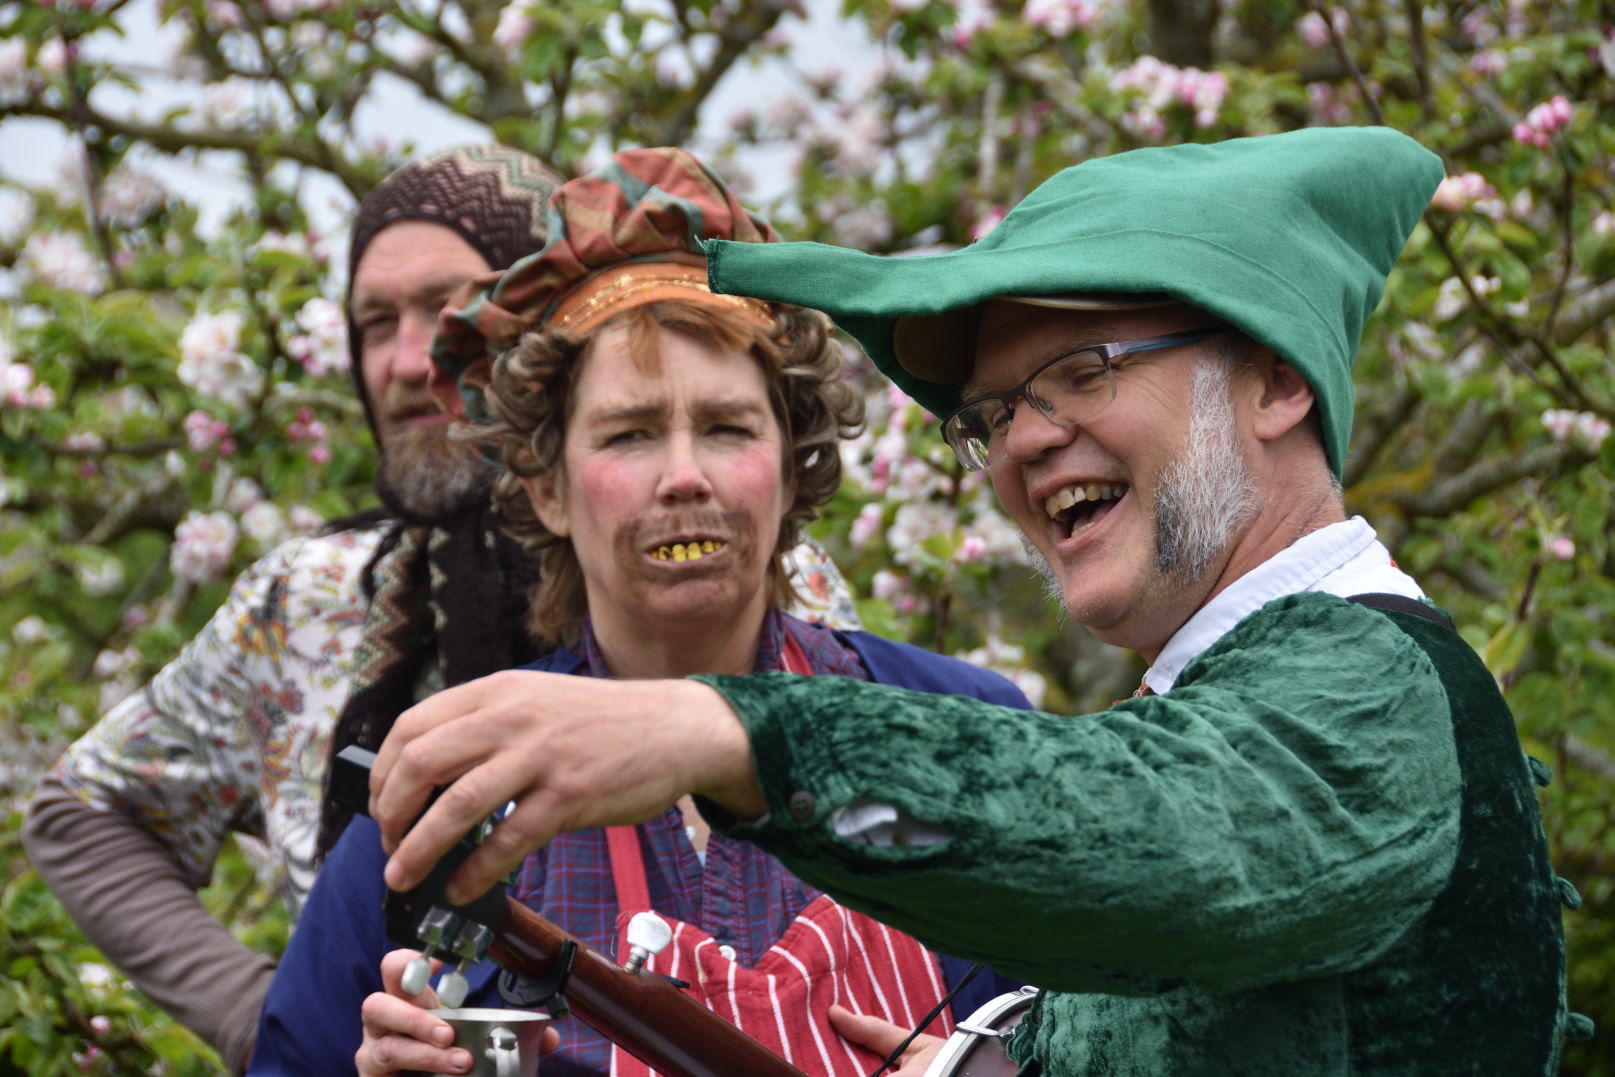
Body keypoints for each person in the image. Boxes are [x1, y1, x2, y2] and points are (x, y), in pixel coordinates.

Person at [363, 127, 1589, 1074]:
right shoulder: (1244, 688)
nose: (1024, 444)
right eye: (993, 415)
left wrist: (727, 732)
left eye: (1080, 370)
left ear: (1274, 378)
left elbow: (1156, 830)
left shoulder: (1370, 688)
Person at [21, 144, 860, 1074]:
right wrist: (272, 1011)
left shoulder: (741, 566)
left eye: (447, 308)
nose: (409, 359)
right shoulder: (310, 600)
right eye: (375, 322)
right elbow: (85, 808)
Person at [249, 147, 1027, 1077]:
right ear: (543, 486)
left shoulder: (966, 728)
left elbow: (1122, 1032)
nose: (684, 475)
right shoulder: (449, 795)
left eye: (730, 426)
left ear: (791, 461)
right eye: (629, 432)